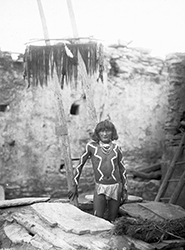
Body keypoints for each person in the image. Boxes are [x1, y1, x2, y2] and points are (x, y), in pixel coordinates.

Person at [68, 119, 127, 222]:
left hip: (115, 187)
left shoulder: (117, 148)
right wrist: (74, 185)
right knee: (97, 219)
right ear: (97, 133)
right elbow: (79, 166)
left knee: (113, 219)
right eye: (102, 131)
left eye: (108, 131)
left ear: (113, 132)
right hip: (100, 187)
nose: (105, 134)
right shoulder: (91, 147)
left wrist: (125, 189)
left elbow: (122, 170)